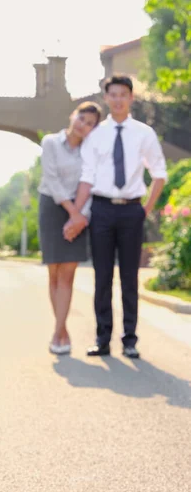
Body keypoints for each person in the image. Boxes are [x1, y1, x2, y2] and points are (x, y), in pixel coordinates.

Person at [64, 74, 167, 359]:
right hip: (102, 210)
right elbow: (87, 176)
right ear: (106, 98)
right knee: (103, 276)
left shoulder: (144, 134)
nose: (119, 99)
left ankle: (130, 339)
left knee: (130, 277)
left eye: (124, 94)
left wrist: (145, 209)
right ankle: (102, 338)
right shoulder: (96, 135)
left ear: (131, 98)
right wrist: (77, 214)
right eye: (114, 94)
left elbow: (159, 174)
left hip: (132, 209)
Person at [38, 102, 101, 355]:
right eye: (81, 118)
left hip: (80, 211)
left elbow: (92, 185)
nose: (82, 125)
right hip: (53, 208)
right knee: (53, 274)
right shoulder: (51, 142)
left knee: (68, 276)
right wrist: (72, 213)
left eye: (89, 123)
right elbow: (51, 179)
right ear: (73, 115)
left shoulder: (91, 151)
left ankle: (57, 332)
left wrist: (80, 217)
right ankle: (62, 330)